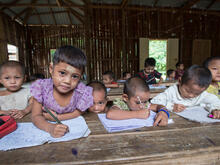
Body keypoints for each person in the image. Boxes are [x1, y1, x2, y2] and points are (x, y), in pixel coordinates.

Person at [31, 45, 93, 138]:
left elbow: (79, 112)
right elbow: (35, 116)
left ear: (81, 76)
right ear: (51, 69)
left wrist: (59, 118)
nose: (67, 81)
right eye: (62, 73)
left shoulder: (81, 91)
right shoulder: (41, 88)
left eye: (75, 76)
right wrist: (50, 128)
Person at [151, 65, 220, 119]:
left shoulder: (203, 95)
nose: (191, 96)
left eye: (197, 93)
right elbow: (154, 101)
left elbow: (216, 101)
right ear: (180, 81)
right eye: (187, 91)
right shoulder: (172, 91)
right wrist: (171, 106)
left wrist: (215, 109)